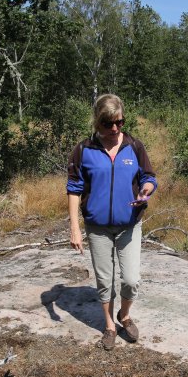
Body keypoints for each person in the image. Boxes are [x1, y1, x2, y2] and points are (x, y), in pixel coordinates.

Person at [66, 94, 157, 351]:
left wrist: (146, 189)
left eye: (119, 122)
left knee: (130, 279)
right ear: (97, 122)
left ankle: (124, 315)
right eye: (108, 124)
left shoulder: (134, 146)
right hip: (98, 228)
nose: (115, 129)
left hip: (129, 224)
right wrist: (75, 227)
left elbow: (149, 176)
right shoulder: (84, 150)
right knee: (104, 280)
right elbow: (74, 189)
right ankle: (108, 325)